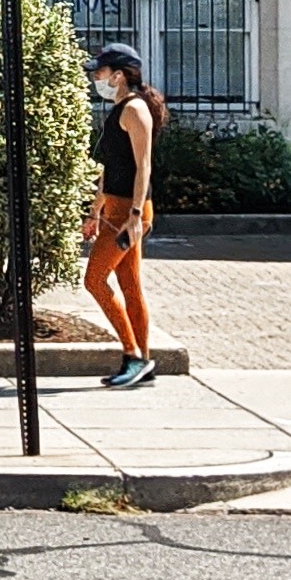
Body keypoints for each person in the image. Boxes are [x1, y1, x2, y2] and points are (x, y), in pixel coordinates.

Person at [83, 41, 163, 386]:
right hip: (115, 208)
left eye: (99, 72)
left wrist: (133, 216)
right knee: (129, 285)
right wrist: (95, 209)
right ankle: (141, 362)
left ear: (117, 76)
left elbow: (143, 167)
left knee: (94, 280)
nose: (95, 78)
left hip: (129, 210)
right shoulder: (118, 110)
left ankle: (133, 354)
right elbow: (110, 166)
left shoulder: (135, 110)